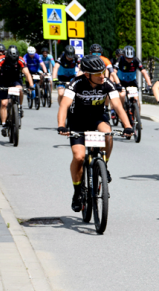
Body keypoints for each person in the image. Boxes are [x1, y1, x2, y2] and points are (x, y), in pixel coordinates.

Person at [57, 55, 133, 211]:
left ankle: (103, 165)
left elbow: (118, 106)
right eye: (97, 73)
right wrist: (61, 125)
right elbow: (64, 106)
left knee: (108, 134)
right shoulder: (76, 84)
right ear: (87, 75)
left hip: (97, 118)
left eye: (103, 72)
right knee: (78, 157)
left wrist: (128, 126)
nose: (101, 76)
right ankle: (77, 191)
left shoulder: (107, 84)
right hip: (77, 121)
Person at [0, 46, 33, 135]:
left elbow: (27, 73)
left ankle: (19, 107)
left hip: (15, 79)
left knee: (20, 90)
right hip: (4, 80)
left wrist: (31, 85)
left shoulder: (21, 60)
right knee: (3, 103)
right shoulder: (1, 59)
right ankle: (4, 125)